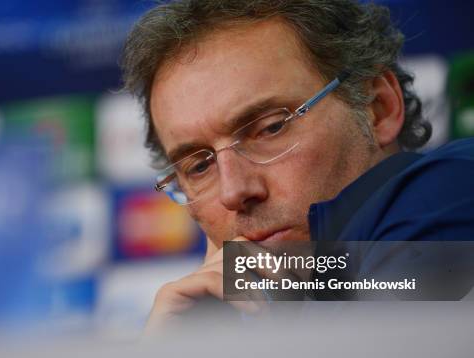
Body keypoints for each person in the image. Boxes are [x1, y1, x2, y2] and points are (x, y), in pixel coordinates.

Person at [120, 0, 474, 334]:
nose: (234, 191)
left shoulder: (451, 189)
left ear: (378, 107)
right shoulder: (288, 302)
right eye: (199, 166)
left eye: (271, 128)